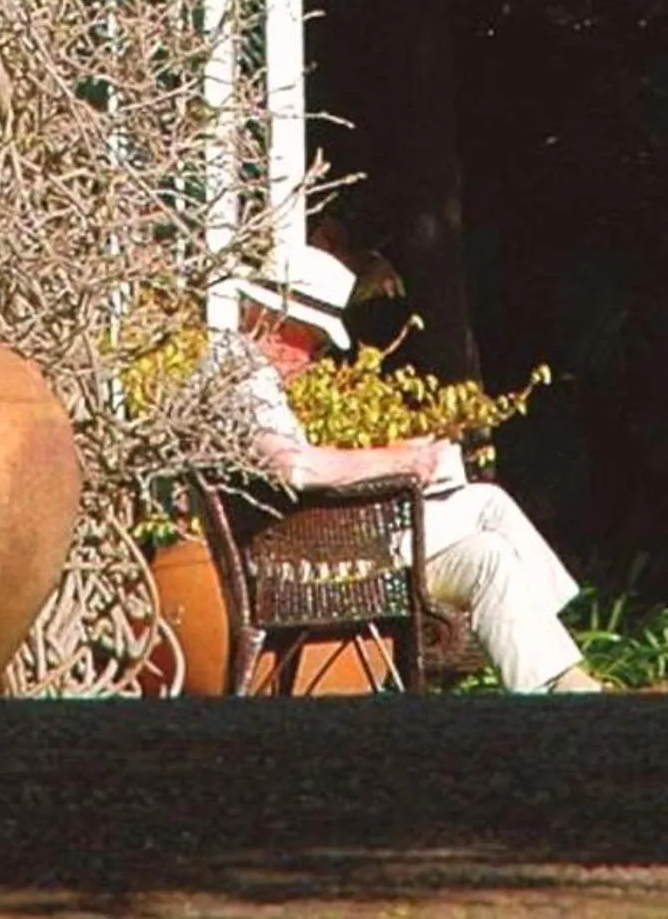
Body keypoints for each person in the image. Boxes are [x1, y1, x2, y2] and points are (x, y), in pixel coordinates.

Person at [216, 244, 602, 694]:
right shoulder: (242, 379)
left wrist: (398, 454)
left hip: (316, 544)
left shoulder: (242, 374)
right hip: (313, 559)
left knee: (488, 553)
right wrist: (402, 461)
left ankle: (558, 683)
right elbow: (294, 467)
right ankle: (561, 662)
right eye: (316, 342)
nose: (315, 358)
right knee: (487, 503)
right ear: (281, 323)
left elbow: (293, 462)